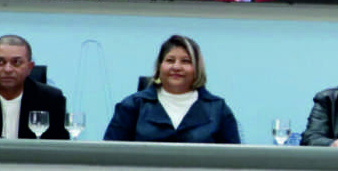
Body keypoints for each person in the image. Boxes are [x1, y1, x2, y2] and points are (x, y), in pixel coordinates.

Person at [103, 34, 242, 144]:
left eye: (185, 61)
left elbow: (234, 162)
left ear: (197, 69)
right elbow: (109, 156)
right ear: (159, 67)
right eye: (170, 60)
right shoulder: (132, 107)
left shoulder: (218, 110)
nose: (176, 67)